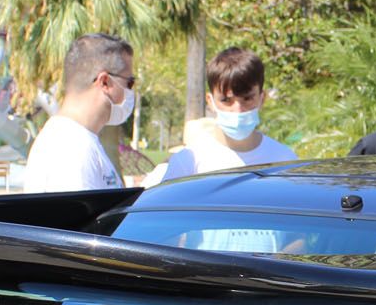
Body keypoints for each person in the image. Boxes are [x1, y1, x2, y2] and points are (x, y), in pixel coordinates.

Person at [147, 48, 297, 184]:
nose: (237, 109)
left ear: (262, 98)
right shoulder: (187, 163)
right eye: (226, 100)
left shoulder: (285, 161)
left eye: (247, 98)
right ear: (210, 101)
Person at [23, 33, 134, 192]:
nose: (131, 92)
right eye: (129, 82)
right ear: (104, 82)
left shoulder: (77, 139)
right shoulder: (71, 148)